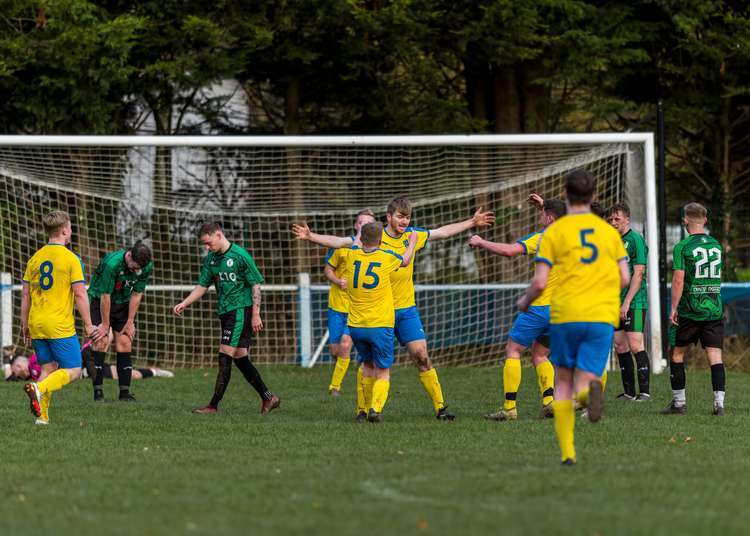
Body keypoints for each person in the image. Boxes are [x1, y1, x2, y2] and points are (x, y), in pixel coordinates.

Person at [293, 198, 495, 420]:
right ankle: (364, 411)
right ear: (388, 216)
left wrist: (471, 222)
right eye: (400, 216)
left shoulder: (413, 236)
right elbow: (340, 242)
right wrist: (311, 237)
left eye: (407, 217)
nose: (404, 221)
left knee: (421, 355)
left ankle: (440, 407)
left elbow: (442, 232)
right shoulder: (373, 239)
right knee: (369, 364)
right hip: (379, 314)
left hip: (405, 310)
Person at [517, 170, 629, 465]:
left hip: (566, 313)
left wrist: (525, 301)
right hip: (601, 315)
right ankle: (588, 395)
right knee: (587, 376)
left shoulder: (553, 233)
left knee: (563, 381)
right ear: (593, 197)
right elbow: (625, 276)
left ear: (565, 196)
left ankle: (568, 453)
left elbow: (540, 283)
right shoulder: (608, 232)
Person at [468, 194, 563, 421]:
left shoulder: (543, 238)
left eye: (543, 213)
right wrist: (545, 205)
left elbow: (510, 251)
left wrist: (480, 242)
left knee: (513, 350)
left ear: (549, 218)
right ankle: (549, 402)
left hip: (538, 307)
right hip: (561, 310)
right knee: (540, 354)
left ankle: (510, 407)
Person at [173, 222, 279, 415]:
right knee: (240, 357)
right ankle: (268, 397)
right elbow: (202, 285)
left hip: (240, 310)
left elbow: (255, 285)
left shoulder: (240, 255)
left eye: (208, 242)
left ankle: (213, 405)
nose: (207, 247)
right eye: (204, 244)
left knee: (224, 354)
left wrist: (256, 314)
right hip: (225, 311)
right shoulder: (211, 260)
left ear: (219, 235)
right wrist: (185, 303)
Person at [21, 210, 105, 424]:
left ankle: (42, 418)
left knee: (48, 368)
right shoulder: (71, 259)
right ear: (65, 230)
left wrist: (24, 326)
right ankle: (39, 388)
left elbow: (25, 297)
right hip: (58, 324)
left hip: (36, 321)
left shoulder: (34, 259)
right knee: (74, 370)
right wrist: (89, 324)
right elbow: (79, 293)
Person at [347, 222, 418, 422]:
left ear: (360, 239)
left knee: (367, 367)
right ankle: (375, 409)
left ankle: (361, 410)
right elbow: (405, 260)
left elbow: (353, 244)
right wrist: (411, 242)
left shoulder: (352, 255)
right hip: (380, 324)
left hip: (356, 326)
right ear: (380, 240)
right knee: (383, 371)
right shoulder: (386, 257)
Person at [662, 203, 725, 416]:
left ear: (684, 221)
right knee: (715, 355)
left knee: (677, 353)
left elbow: (678, 279)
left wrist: (673, 308)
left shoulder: (683, 246)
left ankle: (679, 404)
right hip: (714, 309)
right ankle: (719, 404)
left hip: (690, 310)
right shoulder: (716, 245)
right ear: (705, 220)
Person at [85, 242, 153, 402]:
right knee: (100, 341)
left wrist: (130, 321)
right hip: (99, 299)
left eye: (138, 269)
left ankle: (124, 393)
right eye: (133, 267)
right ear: (129, 255)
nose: (135, 271)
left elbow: (137, 294)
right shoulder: (112, 264)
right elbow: (105, 296)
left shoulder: (146, 266)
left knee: (125, 341)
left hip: (122, 302)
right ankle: (98, 392)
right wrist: (105, 325)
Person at [325, 210, 376, 397]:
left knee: (346, 345)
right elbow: (328, 270)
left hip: (357, 307)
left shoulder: (375, 251)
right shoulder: (342, 247)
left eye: (368, 223)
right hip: (337, 306)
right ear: (356, 225)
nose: (364, 225)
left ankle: (334, 388)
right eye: (361, 222)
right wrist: (338, 281)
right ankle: (353, 360)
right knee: (336, 349)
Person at [607, 203, 650, 401]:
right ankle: (628, 392)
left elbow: (639, 273)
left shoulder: (635, 240)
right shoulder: (611, 241)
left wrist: (626, 302)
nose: (613, 222)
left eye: (617, 219)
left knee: (634, 344)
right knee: (620, 346)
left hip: (635, 302)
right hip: (614, 301)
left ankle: (644, 392)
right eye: (611, 219)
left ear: (627, 219)